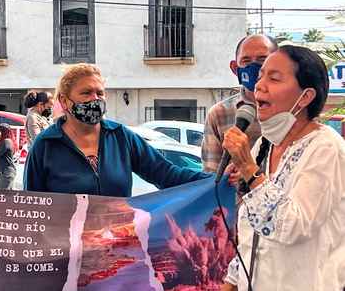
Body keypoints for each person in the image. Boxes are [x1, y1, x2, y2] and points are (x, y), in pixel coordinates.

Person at [221, 45, 345, 291]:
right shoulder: (264, 145)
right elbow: (254, 231)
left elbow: (293, 227)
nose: (259, 85)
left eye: (274, 78)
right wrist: (231, 282)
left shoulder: (326, 149)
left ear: (306, 97)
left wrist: (249, 169)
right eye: (261, 77)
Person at [24, 63, 211, 197]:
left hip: (116, 248)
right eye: (86, 93)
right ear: (64, 101)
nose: (95, 99)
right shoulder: (45, 145)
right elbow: (32, 208)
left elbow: (166, 174)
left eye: (100, 93)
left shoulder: (122, 136)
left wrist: (215, 181)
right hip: (67, 250)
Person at [201, 34, 278, 173]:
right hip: (235, 194)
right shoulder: (219, 114)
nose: (254, 67)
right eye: (246, 60)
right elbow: (211, 174)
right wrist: (227, 177)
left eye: (262, 59)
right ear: (235, 68)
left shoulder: (295, 109)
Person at [0, 123, 18, 190]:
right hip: (7, 171)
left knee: (3, 194)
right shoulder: (9, 141)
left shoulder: (6, 142)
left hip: (6, 172)